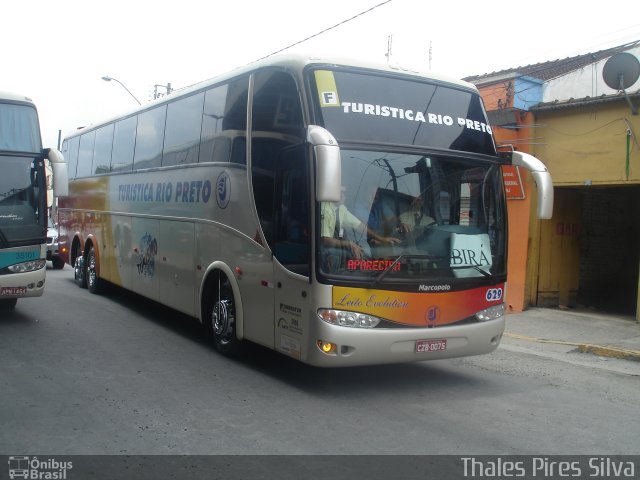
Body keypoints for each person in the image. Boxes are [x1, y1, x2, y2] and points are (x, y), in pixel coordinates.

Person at [321, 187, 400, 261]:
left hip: (337, 246)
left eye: (344, 193)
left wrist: (382, 239)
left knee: (362, 255)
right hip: (322, 251)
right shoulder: (325, 209)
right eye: (339, 192)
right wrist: (350, 244)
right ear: (331, 193)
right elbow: (325, 240)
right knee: (350, 255)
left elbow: (359, 226)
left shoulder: (341, 208)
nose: (342, 195)